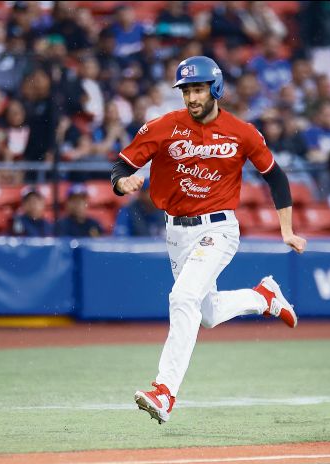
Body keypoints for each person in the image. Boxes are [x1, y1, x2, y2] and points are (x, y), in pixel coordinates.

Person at [111, 56, 306, 424]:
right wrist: (123, 183)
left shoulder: (241, 131)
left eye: (198, 88)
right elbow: (121, 167)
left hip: (217, 229)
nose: (191, 97)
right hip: (176, 231)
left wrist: (287, 229)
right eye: (186, 90)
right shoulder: (164, 127)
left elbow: (276, 177)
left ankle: (164, 392)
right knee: (209, 313)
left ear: (215, 88)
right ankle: (263, 297)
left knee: (183, 298)